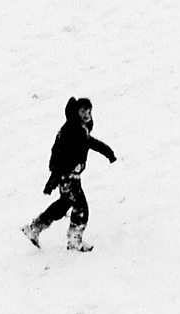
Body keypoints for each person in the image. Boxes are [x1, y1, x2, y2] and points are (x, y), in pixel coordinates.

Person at [22, 96, 117, 252]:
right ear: (76, 112)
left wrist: (108, 153)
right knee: (81, 209)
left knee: (64, 204)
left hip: (68, 176)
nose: (87, 113)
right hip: (68, 176)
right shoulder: (73, 130)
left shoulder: (77, 129)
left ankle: (34, 228)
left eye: (89, 110)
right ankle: (74, 241)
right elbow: (60, 154)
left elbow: (90, 143)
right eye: (82, 110)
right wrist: (54, 178)